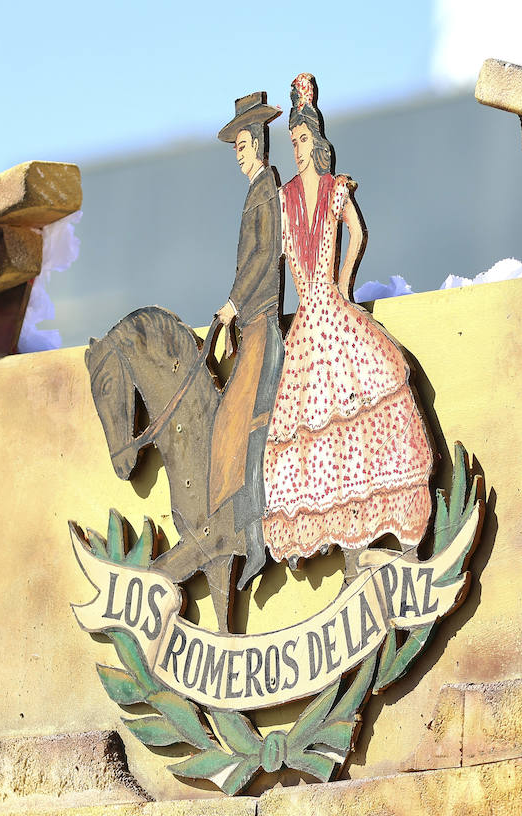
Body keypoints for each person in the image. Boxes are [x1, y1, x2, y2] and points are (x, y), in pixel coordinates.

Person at [262, 73, 433, 574]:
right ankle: (333, 529)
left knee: (370, 391)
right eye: (291, 143)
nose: (296, 150)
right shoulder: (287, 197)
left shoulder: (335, 189)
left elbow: (356, 231)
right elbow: (278, 255)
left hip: (332, 307)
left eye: (301, 141)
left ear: (317, 141)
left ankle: (386, 518)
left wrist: (341, 281)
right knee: (308, 419)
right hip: (307, 324)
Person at [211, 92, 285, 590]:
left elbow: (264, 256)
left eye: (242, 144)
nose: (238, 155)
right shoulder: (254, 190)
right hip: (249, 323)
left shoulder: (266, 188)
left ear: (258, 142)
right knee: (231, 425)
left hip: (261, 320)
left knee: (246, 425)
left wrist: (234, 304)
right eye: (235, 147)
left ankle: (257, 541)